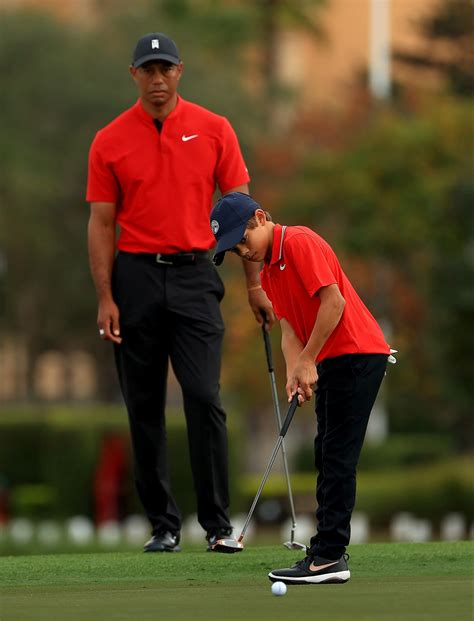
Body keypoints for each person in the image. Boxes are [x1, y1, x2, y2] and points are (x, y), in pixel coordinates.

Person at [86, 33, 273, 553]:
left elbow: (243, 218)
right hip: (136, 278)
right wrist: (106, 296)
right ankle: (163, 526)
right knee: (143, 404)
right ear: (134, 76)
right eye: (148, 70)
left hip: (195, 275)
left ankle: (216, 524)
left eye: (166, 68)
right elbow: (101, 224)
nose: (158, 78)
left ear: (180, 72)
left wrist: (256, 285)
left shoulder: (215, 129)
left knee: (203, 397)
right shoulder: (109, 139)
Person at [210, 192, 392, 583]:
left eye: (243, 240)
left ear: (260, 218)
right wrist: (295, 371)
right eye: (235, 250)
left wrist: (309, 359)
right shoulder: (269, 272)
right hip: (333, 357)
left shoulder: (299, 242)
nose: (244, 252)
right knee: (325, 453)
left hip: (358, 354)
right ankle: (325, 552)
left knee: (337, 456)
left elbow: (334, 303)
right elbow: (290, 327)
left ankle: (329, 557)